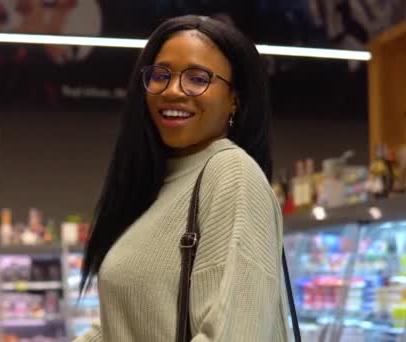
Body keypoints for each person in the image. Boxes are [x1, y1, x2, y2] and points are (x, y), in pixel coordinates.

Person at [75, 15, 288, 341]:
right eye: (160, 75)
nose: (173, 90)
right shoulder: (156, 184)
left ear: (234, 98)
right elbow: (123, 326)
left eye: (197, 78)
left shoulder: (230, 174)